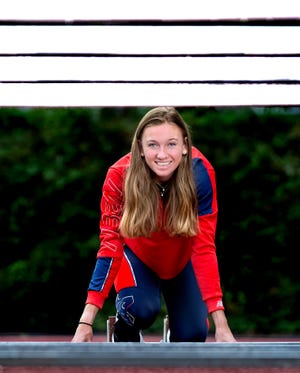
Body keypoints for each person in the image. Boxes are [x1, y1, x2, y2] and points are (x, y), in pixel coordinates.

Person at [72, 106, 236, 343]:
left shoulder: (200, 173)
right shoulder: (119, 175)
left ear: (185, 146)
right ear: (139, 147)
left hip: (182, 260)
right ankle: (124, 330)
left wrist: (222, 325)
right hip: (138, 256)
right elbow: (110, 247)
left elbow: (204, 248)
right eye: (152, 145)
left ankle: (176, 329)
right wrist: (86, 321)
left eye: (171, 144)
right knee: (138, 309)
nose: (162, 154)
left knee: (193, 336)